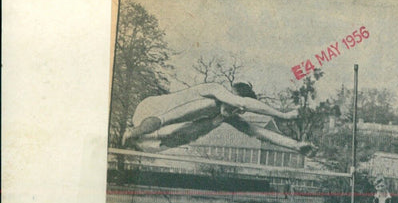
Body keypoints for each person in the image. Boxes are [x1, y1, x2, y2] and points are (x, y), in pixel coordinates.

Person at [121, 81, 314, 155]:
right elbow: (244, 104)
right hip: (149, 113)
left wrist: (295, 146)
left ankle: (139, 138)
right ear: (231, 95)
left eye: (237, 110)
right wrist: (283, 115)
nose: (235, 112)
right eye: (234, 106)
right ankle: (132, 133)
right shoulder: (214, 90)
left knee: (214, 122)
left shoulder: (227, 113)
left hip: (153, 140)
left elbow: (260, 132)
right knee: (210, 108)